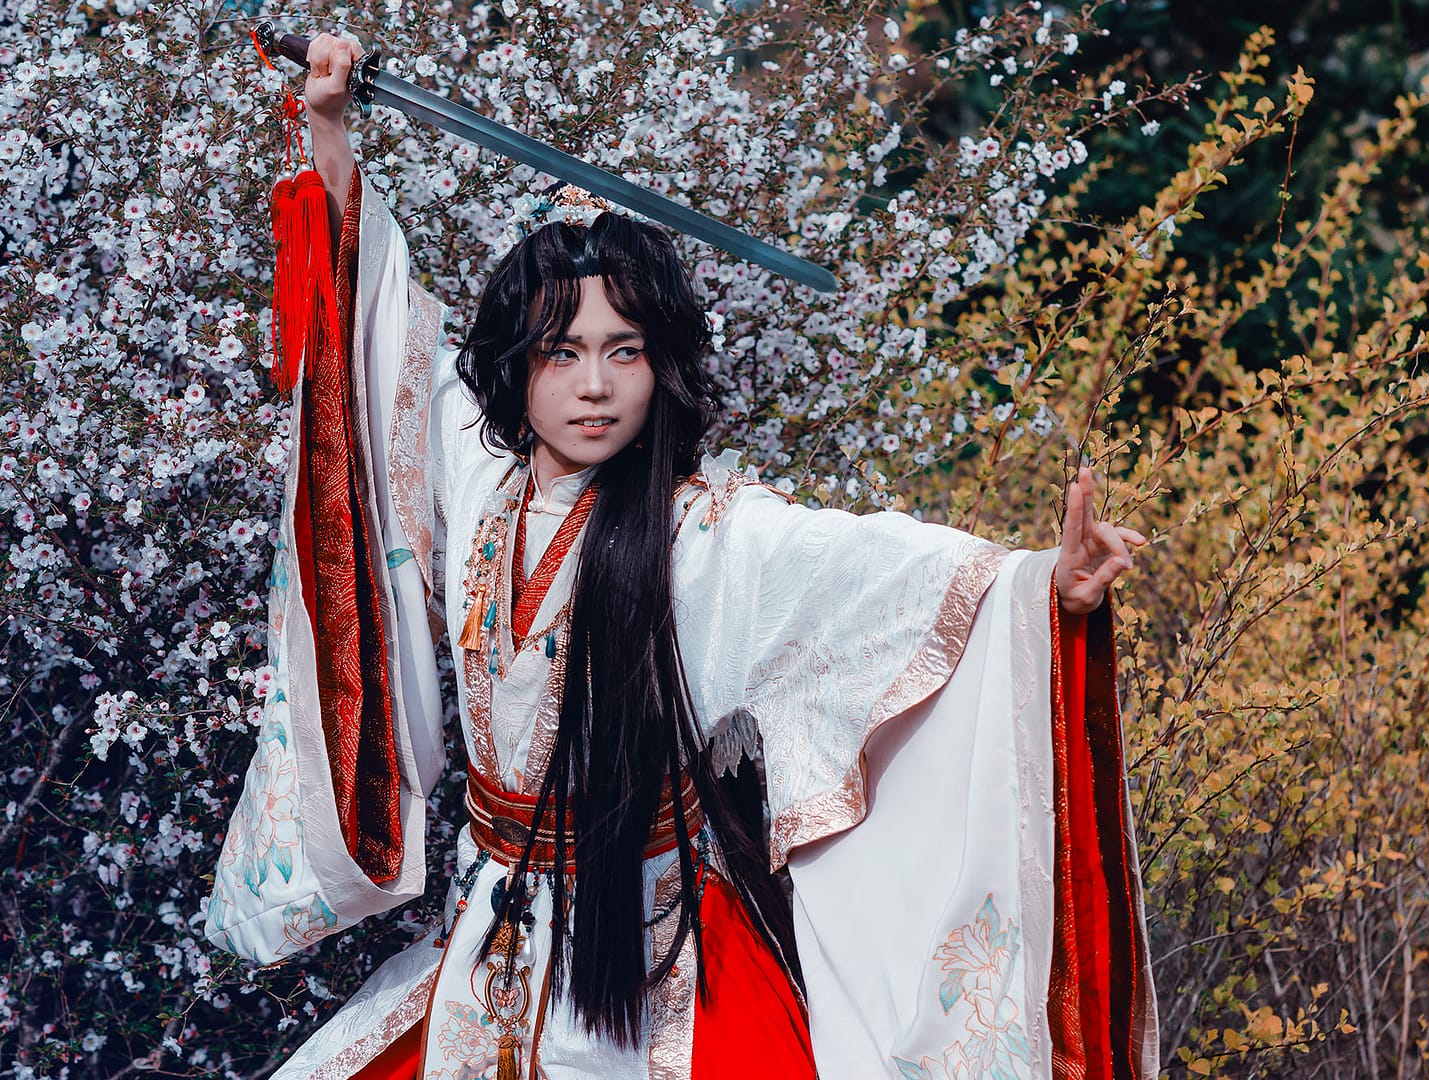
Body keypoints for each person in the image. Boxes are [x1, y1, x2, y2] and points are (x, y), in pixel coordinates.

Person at [205, 32, 1158, 1080]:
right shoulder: (479, 489)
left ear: (663, 368)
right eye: (561, 354)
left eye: (626, 352)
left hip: (650, 952)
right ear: (514, 371)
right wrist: (332, 126)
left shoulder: (713, 539)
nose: (595, 386)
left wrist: (1041, 588)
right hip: (491, 932)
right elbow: (378, 331)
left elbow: (884, 575)